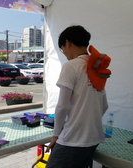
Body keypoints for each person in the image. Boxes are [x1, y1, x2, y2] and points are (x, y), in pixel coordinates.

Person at [45, 25, 108, 168]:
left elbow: (62, 106)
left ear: (68, 43)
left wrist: (56, 135)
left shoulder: (71, 66)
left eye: (62, 49)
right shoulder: (97, 67)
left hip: (73, 138)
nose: (64, 53)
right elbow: (104, 105)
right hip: (94, 137)